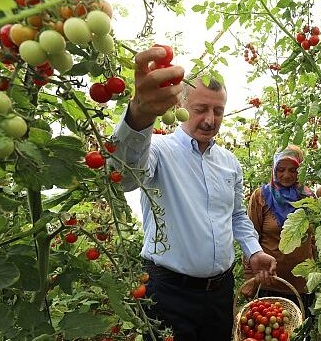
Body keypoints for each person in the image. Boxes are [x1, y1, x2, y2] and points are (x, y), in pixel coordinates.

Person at [108, 47, 277, 341]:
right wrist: (140, 115)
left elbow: (236, 215)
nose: (210, 119)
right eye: (201, 110)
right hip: (168, 292)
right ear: (183, 106)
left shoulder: (229, 163)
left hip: (219, 293)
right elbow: (122, 177)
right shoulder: (158, 151)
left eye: (218, 110)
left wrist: (254, 250)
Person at [242, 145, 316, 317]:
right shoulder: (261, 196)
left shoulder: (308, 198)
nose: (286, 175)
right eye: (281, 169)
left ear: (300, 170)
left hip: (300, 283)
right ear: (274, 169)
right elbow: (250, 236)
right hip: (268, 281)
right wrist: (249, 278)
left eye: (293, 170)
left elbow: (312, 240)